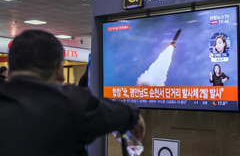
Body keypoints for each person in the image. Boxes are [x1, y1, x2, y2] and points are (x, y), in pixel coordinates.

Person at [0, 30, 145, 156]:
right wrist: (132, 115)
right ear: (59, 70)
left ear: (10, 70)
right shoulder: (71, 104)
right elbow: (123, 115)